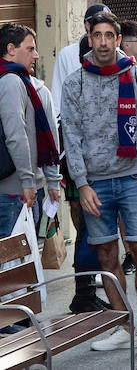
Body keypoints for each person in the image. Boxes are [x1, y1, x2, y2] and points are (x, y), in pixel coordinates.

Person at [63, 12, 137, 357]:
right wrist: (81, 184)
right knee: (106, 256)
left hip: (135, 176)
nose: (104, 42)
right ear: (90, 39)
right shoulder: (75, 83)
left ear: (119, 39)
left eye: (110, 35)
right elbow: (71, 137)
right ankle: (124, 326)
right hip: (95, 182)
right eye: (98, 35)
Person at [0, 24, 61, 234]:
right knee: (14, 255)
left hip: (25, 189)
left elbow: (50, 135)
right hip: (13, 193)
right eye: (30, 49)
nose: (36, 55)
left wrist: (51, 181)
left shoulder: (32, 86)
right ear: (11, 49)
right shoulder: (11, 82)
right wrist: (28, 182)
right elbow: (16, 136)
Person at [51, 3, 111, 120]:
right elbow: (58, 95)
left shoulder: (118, 53)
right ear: (86, 25)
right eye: (97, 22)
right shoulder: (67, 54)